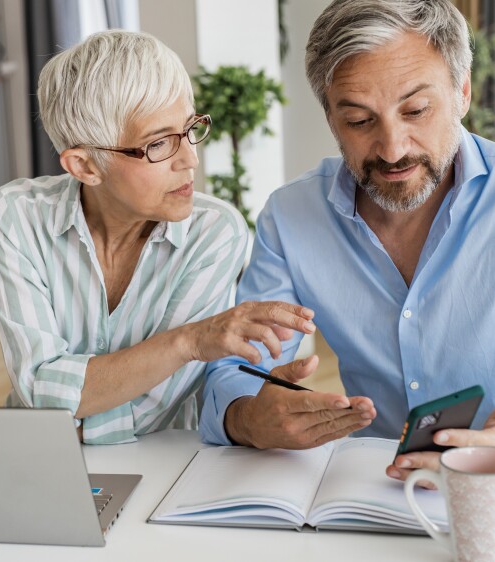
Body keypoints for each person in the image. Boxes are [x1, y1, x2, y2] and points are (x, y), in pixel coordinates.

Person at [200, 0, 495, 483]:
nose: (393, 149)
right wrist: (249, 417)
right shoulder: (293, 217)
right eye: (359, 121)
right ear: (330, 115)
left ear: (461, 93)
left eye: (416, 110)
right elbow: (235, 371)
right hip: (372, 495)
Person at [0, 30, 314, 445]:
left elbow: (156, 403)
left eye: (190, 129)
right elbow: (38, 390)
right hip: (38, 456)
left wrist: (72, 419)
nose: (190, 159)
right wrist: (190, 341)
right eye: (158, 144)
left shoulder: (214, 233)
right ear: (84, 166)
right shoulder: (16, 216)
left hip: (163, 458)